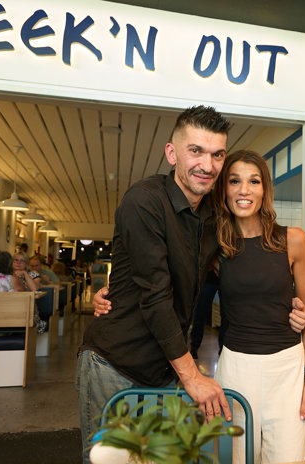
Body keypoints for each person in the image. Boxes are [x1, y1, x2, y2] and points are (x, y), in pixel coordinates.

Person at [79, 106, 234, 464]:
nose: (207, 165)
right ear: (172, 153)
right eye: (195, 150)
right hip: (115, 365)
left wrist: (290, 302)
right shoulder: (144, 200)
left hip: (166, 369)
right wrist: (193, 377)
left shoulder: (213, 213)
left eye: (217, 155)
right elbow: (155, 297)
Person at [211, 150, 305, 463]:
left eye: (254, 181)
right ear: (224, 189)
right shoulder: (215, 245)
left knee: (287, 458)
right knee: (236, 458)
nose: (244, 190)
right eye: (235, 181)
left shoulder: (293, 240)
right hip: (236, 367)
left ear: (265, 189)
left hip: (287, 368)